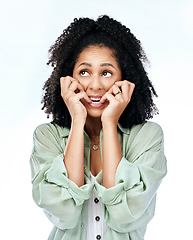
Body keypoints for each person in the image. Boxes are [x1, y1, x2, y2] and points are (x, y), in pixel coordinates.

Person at [30, 15, 167, 240]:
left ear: (125, 78)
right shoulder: (47, 137)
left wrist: (110, 123)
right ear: (68, 78)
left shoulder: (148, 136)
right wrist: (77, 120)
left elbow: (124, 216)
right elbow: (65, 213)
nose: (95, 85)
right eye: (84, 72)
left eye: (106, 73)